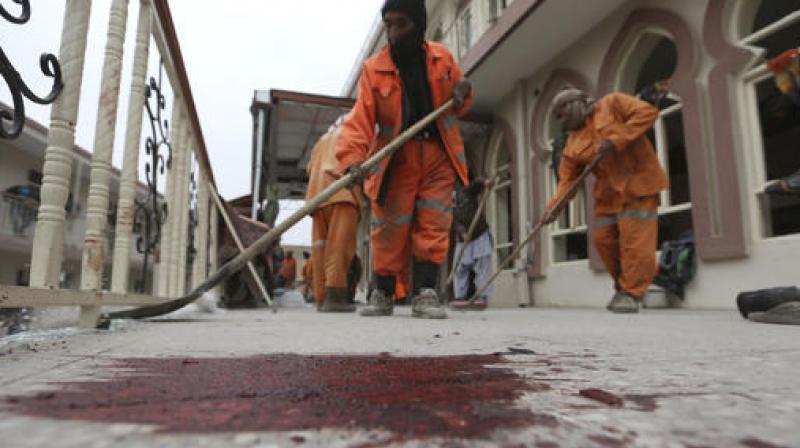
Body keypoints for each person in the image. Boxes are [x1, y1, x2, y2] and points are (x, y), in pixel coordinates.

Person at [336, 0, 473, 319]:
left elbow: (460, 103)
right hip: (397, 157)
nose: (393, 33)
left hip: (439, 156)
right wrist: (354, 159)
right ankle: (382, 291)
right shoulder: (374, 69)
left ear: (419, 25)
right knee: (390, 227)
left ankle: (426, 292)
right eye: (388, 25)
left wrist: (464, 92)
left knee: (434, 224)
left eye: (401, 25)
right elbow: (360, 120)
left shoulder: (443, 59)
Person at [541, 89, 667, 313]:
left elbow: (647, 113)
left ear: (574, 104)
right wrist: (554, 208)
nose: (562, 121)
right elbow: (567, 181)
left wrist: (616, 138)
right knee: (603, 240)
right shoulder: (572, 144)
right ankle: (623, 288)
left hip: (638, 185)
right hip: (608, 195)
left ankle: (632, 293)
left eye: (562, 114)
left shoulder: (613, 103)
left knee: (634, 242)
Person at [306, 126, 361, 312]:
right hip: (341, 192)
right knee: (339, 248)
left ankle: (321, 298)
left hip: (317, 195)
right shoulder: (353, 134)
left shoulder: (321, 141)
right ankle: (335, 298)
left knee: (320, 249)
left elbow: (309, 168)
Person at [450, 177, 495, 310]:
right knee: (459, 267)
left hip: (479, 233)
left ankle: (482, 295)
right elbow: (453, 221)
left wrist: (485, 182)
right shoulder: (444, 204)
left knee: (482, 265)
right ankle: (460, 296)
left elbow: (477, 184)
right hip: (462, 238)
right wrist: (462, 232)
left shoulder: (465, 192)